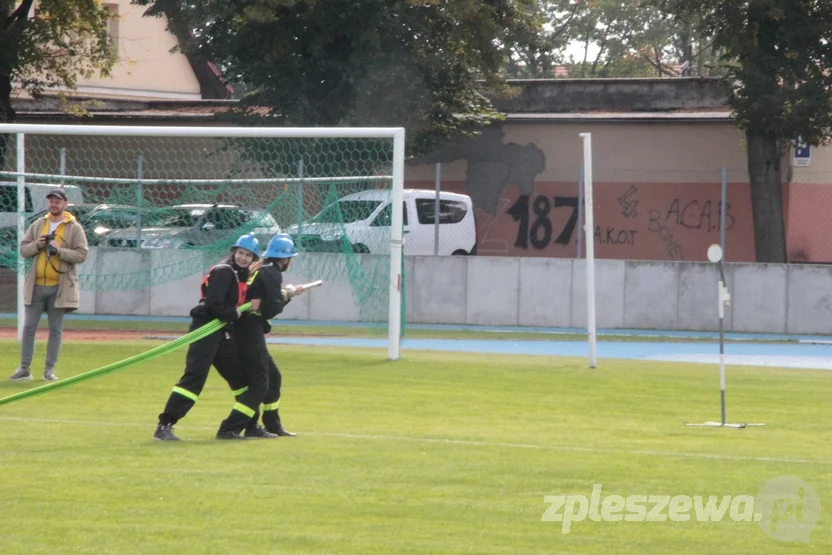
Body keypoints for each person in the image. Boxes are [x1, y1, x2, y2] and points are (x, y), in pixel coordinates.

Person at [153, 233, 259, 441]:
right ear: (234, 252)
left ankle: (243, 426)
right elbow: (214, 305)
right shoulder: (224, 272)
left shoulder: (240, 275)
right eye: (241, 253)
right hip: (206, 329)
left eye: (248, 255)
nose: (243, 258)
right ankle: (165, 425)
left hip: (222, 331)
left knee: (240, 378)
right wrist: (233, 313)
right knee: (194, 378)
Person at [216, 234, 303, 439]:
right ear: (285, 259)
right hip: (249, 331)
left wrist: (282, 295)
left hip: (243, 329)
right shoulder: (272, 273)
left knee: (274, 378)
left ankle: (271, 425)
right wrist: (288, 295)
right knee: (259, 385)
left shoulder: (260, 269)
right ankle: (230, 427)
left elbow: (263, 301)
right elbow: (270, 310)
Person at [10, 188, 89, 382]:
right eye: (51, 201)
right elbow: (23, 250)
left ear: (65, 204)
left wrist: (60, 251)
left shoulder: (74, 228)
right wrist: (38, 245)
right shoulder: (39, 224)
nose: (54, 204)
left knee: (55, 330)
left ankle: (49, 370)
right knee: (29, 328)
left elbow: (82, 254)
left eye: (58, 201)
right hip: (36, 286)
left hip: (59, 288)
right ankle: (24, 368)